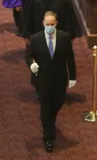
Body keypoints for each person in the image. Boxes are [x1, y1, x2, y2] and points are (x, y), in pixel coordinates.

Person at [25, 11, 76, 153]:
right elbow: (28, 56)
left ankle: (50, 121)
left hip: (60, 79)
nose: (49, 27)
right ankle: (48, 138)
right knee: (45, 107)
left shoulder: (65, 38)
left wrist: (72, 76)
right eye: (47, 24)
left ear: (56, 24)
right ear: (43, 24)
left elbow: (70, 59)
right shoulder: (35, 39)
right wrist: (31, 65)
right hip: (42, 79)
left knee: (58, 103)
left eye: (52, 24)